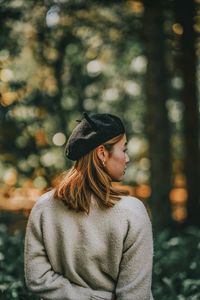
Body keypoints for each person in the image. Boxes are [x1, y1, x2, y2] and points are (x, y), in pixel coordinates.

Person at [24, 112, 154, 300]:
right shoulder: (132, 213)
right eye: (123, 150)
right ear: (102, 153)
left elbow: (38, 278)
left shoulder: (44, 207)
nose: (127, 158)